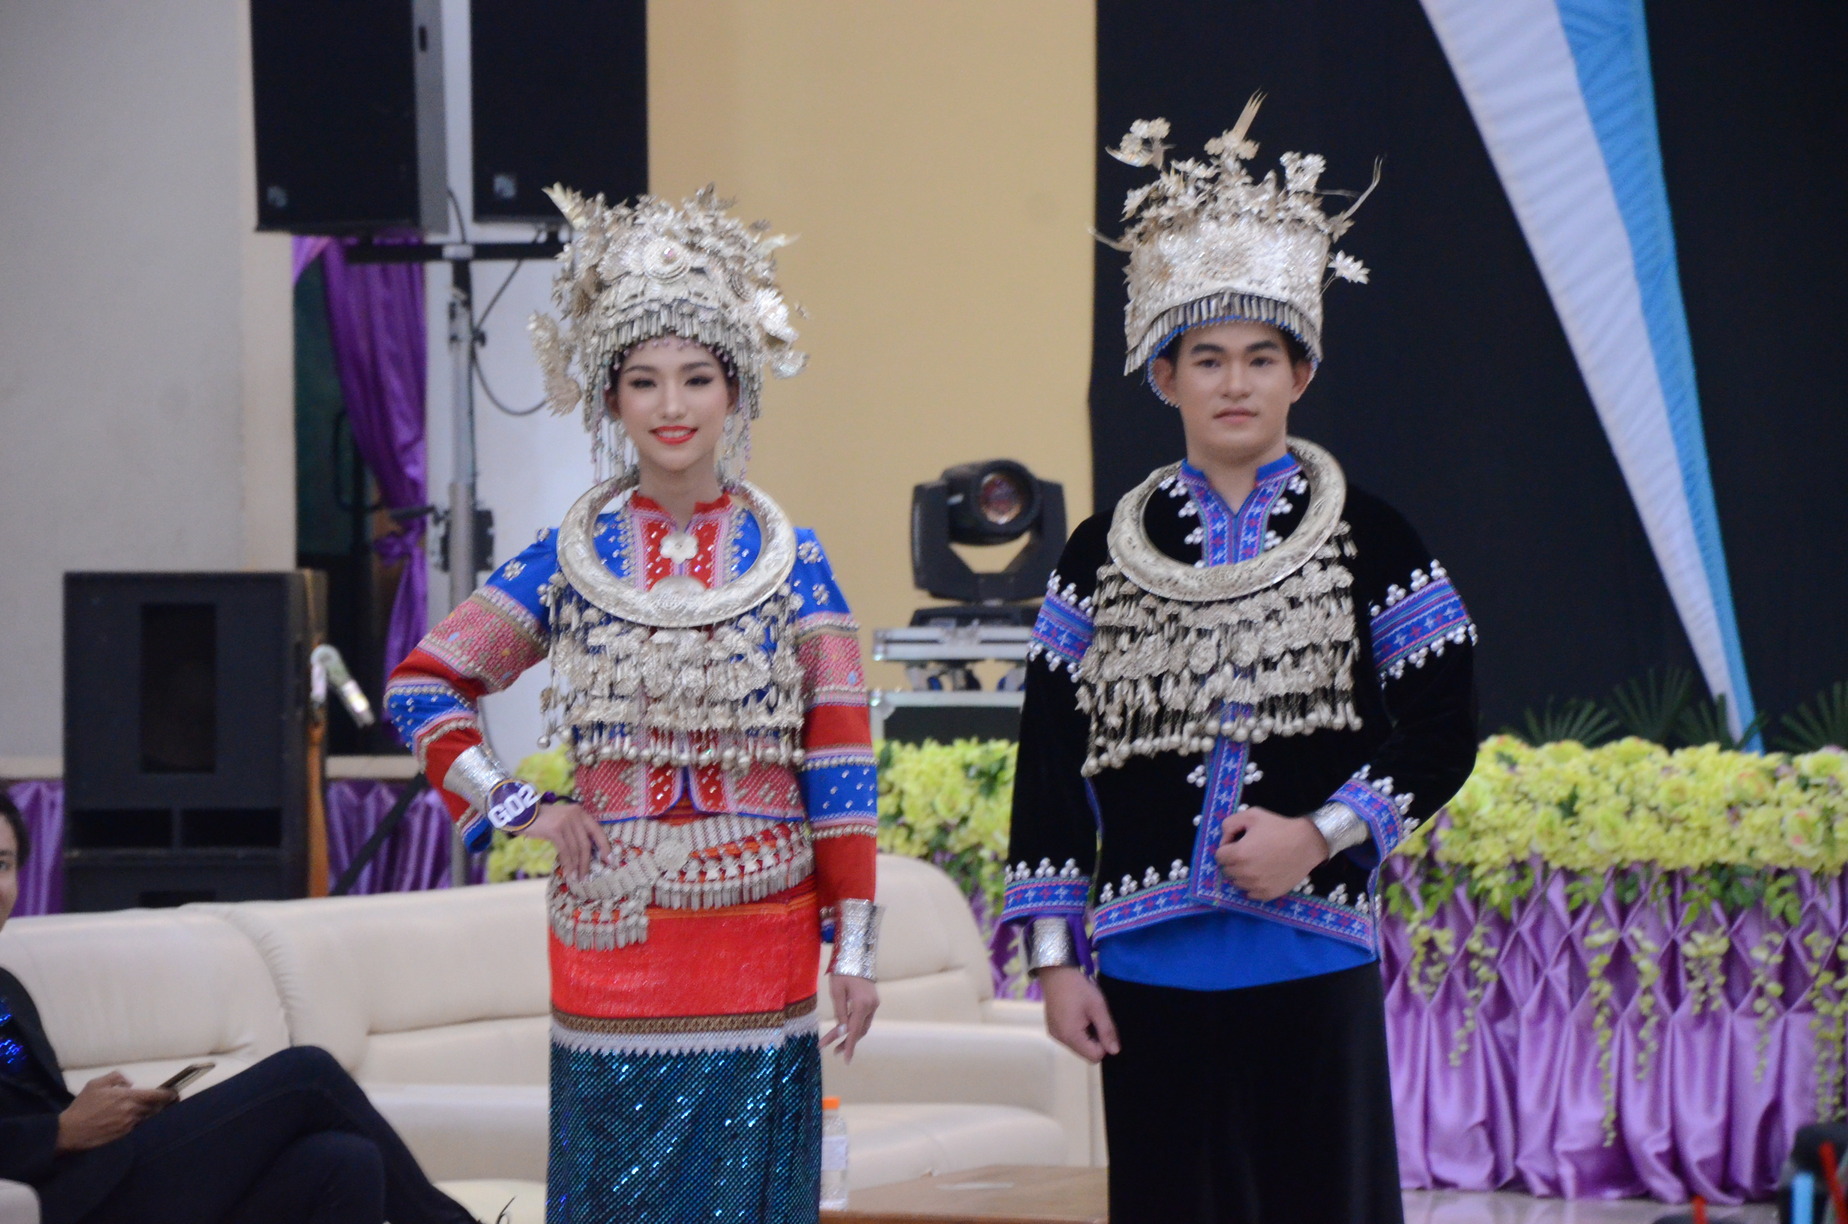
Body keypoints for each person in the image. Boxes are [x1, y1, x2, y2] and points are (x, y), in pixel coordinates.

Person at [1003, 98, 1480, 1224]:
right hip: (1147, 969)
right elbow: (1051, 760)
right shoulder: (1099, 552)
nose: (1234, 383)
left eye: (1261, 358)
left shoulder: (1374, 536)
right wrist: (1057, 960)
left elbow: (1444, 727)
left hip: (1312, 958)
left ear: (1300, 374)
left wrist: (1320, 834)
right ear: (1163, 376)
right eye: (1207, 359)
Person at [385, 185, 881, 1224]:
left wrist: (856, 947)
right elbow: (423, 685)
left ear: (736, 390)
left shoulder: (795, 563)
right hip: (615, 939)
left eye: (697, 378)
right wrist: (517, 804)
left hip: (761, 932)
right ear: (610, 400)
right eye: (644, 381)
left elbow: (838, 759)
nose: (671, 405)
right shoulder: (564, 563)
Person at [0, 792, 480, 1224]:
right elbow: (48, 1132)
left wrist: (105, 1113)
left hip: (93, 1172)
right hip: (54, 1202)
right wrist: (61, 1131)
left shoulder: (7, 987)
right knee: (308, 1073)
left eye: (3, 864)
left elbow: (27, 1100)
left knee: (345, 1161)